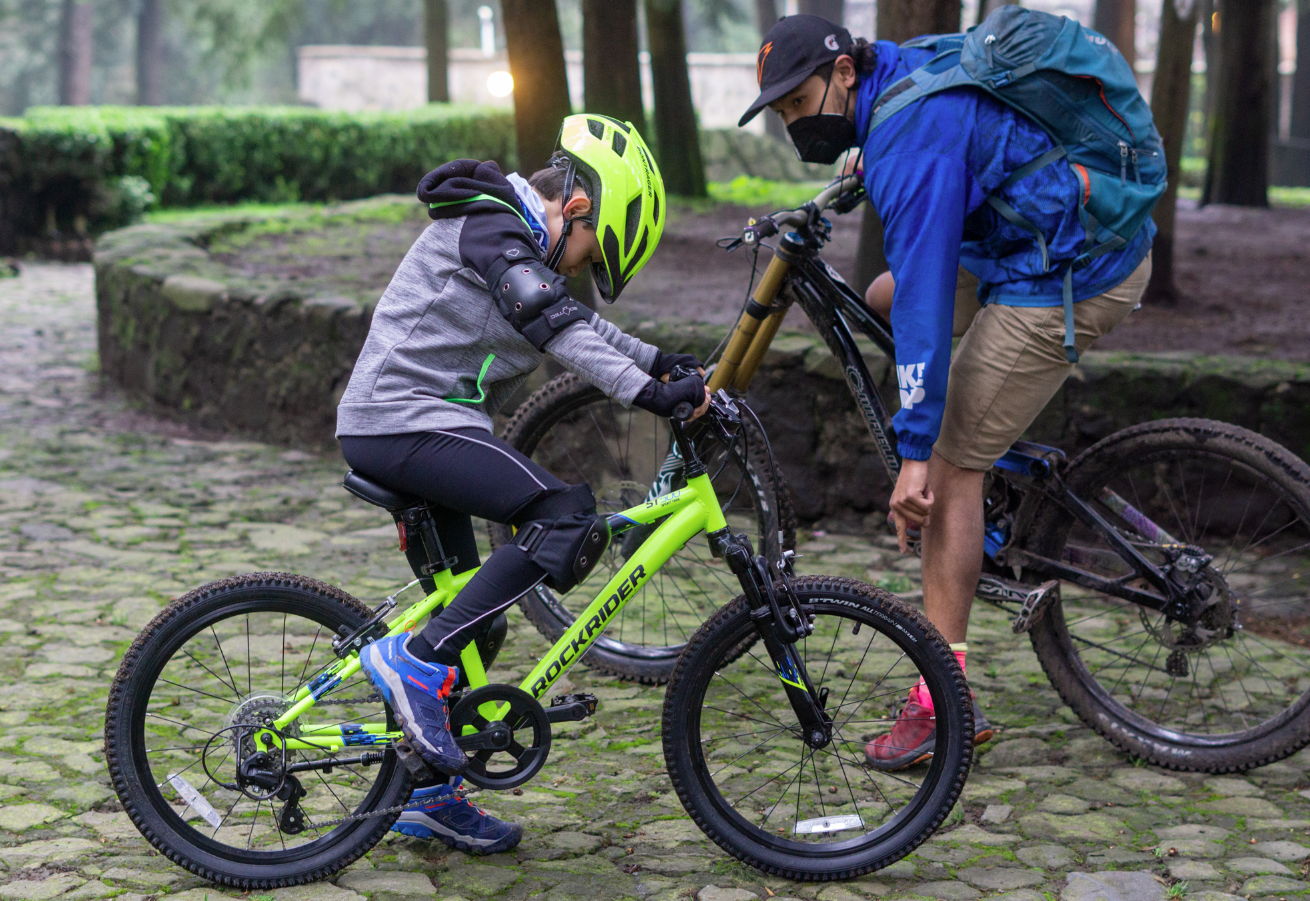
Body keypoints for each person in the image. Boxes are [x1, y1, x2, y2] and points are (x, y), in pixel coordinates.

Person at [738, 16, 1153, 770]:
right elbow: (917, 275)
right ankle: (983, 429)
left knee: (952, 469)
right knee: (882, 293)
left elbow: (931, 300)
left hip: (1073, 268)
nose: (796, 124)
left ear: (844, 74)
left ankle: (940, 704)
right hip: (1028, 237)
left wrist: (917, 450)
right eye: (783, 114)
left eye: (799, 103)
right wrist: (862, 170)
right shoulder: (896, 72)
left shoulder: (911, 145)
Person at [335, 114, 709, 852]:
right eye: (584, 254)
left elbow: (576, 323)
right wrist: (648, 395)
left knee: (481, 621)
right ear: (574, 208)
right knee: (566, 515)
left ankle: (430, 793)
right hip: (401, 422)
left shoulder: (510, 243)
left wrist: (663, 362)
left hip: (414, 424)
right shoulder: (491, 227)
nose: (574, 270)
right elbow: (558, 326)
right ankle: (409, 663)